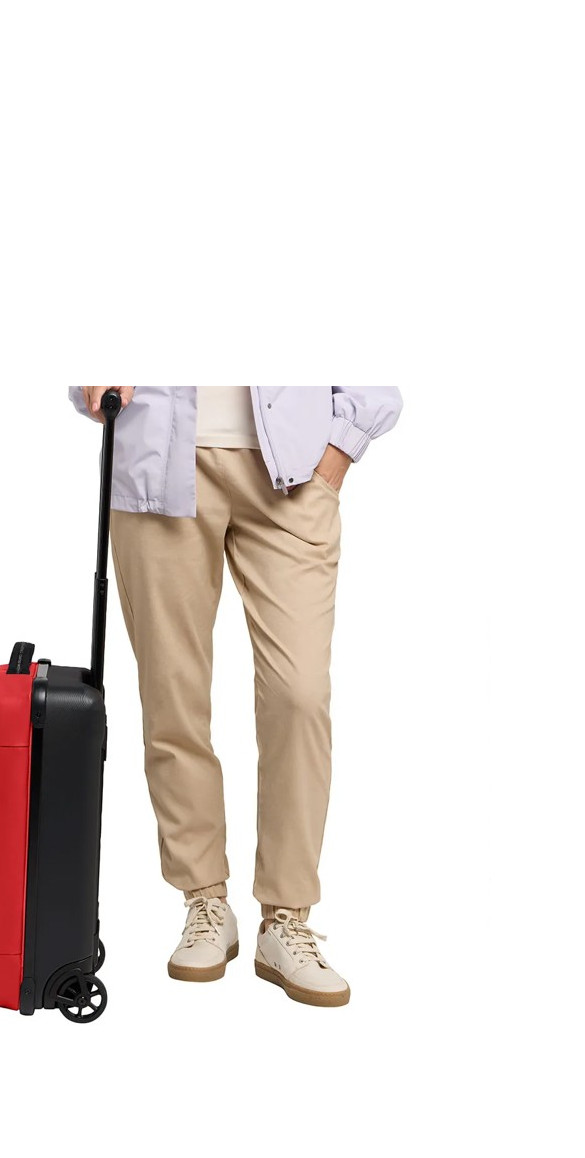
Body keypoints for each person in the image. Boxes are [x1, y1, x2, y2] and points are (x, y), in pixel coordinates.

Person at [70, 386, 402, 1008]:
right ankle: (204, 901)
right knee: (172, 695)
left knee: (300, 694)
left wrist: (341, 448)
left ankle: (287, 918)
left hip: (295, 470)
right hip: (159, 459)